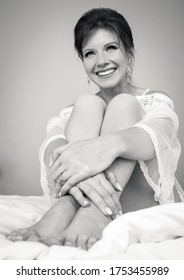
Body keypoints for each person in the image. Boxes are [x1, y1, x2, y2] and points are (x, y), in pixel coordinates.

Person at [8, 7, 183, 250]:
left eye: (110, 48)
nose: (101, 61)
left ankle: (94, 213)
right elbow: (52, 152)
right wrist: (86, 164)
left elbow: (155, 138)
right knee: (87, 102)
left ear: (129, 54)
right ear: (83, 62)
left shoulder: (154, 101)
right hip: (78, 196)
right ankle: (67, 208)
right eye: (90, 53)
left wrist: (103, 148)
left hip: (136, 201)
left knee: (123, 104)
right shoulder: (77, 112)